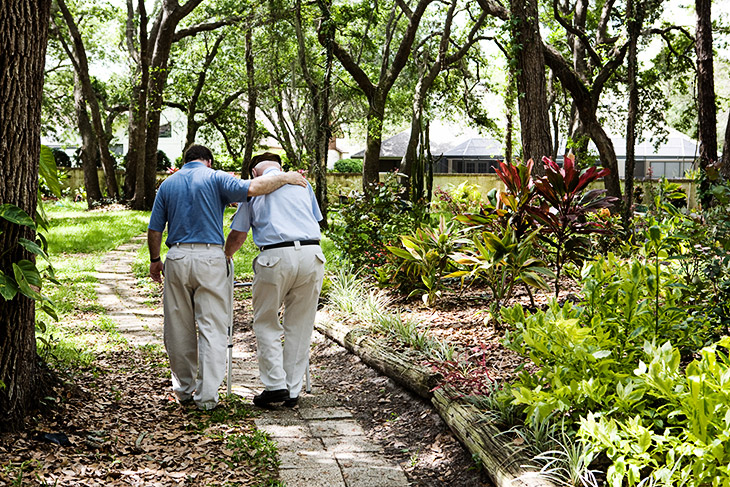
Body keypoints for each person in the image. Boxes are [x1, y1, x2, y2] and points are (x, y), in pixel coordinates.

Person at [148, 145, 306, 410]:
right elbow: (254, 188)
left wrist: (155, 260)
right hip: (210, 257)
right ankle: (207, 398)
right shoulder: (216, 177)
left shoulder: (167, 184)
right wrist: (287, 177)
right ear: (208, 161)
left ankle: (184, 390)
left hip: (175, 257)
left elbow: (155, 228)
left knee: (177, 327)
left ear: (185, 161)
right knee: (212, 327)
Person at [224, 152, 325, 408]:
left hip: (275, 256)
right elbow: (315, 220)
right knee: (301, 324)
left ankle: (275, 385)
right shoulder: (303, 183)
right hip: (313, 254)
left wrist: (224, 256)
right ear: (279, 166)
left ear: (254, 172)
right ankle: (292, 390)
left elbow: (239, 234)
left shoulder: (254, 188)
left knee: (267, 320)